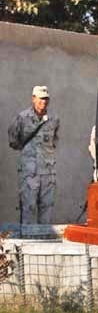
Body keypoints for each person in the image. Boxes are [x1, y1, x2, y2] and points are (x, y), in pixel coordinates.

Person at [8, 85, 60, 226]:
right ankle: (28, 242)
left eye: (46, 99)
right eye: (41, 99)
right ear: (33, 99)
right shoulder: (22, 118)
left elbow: (54, 140)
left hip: (48, 173)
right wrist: (27, 154)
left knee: (47, 209)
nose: (44, 102)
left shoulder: (53, 119)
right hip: (29, 173)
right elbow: (13, 140)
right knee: (28, 209)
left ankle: (44, 242)